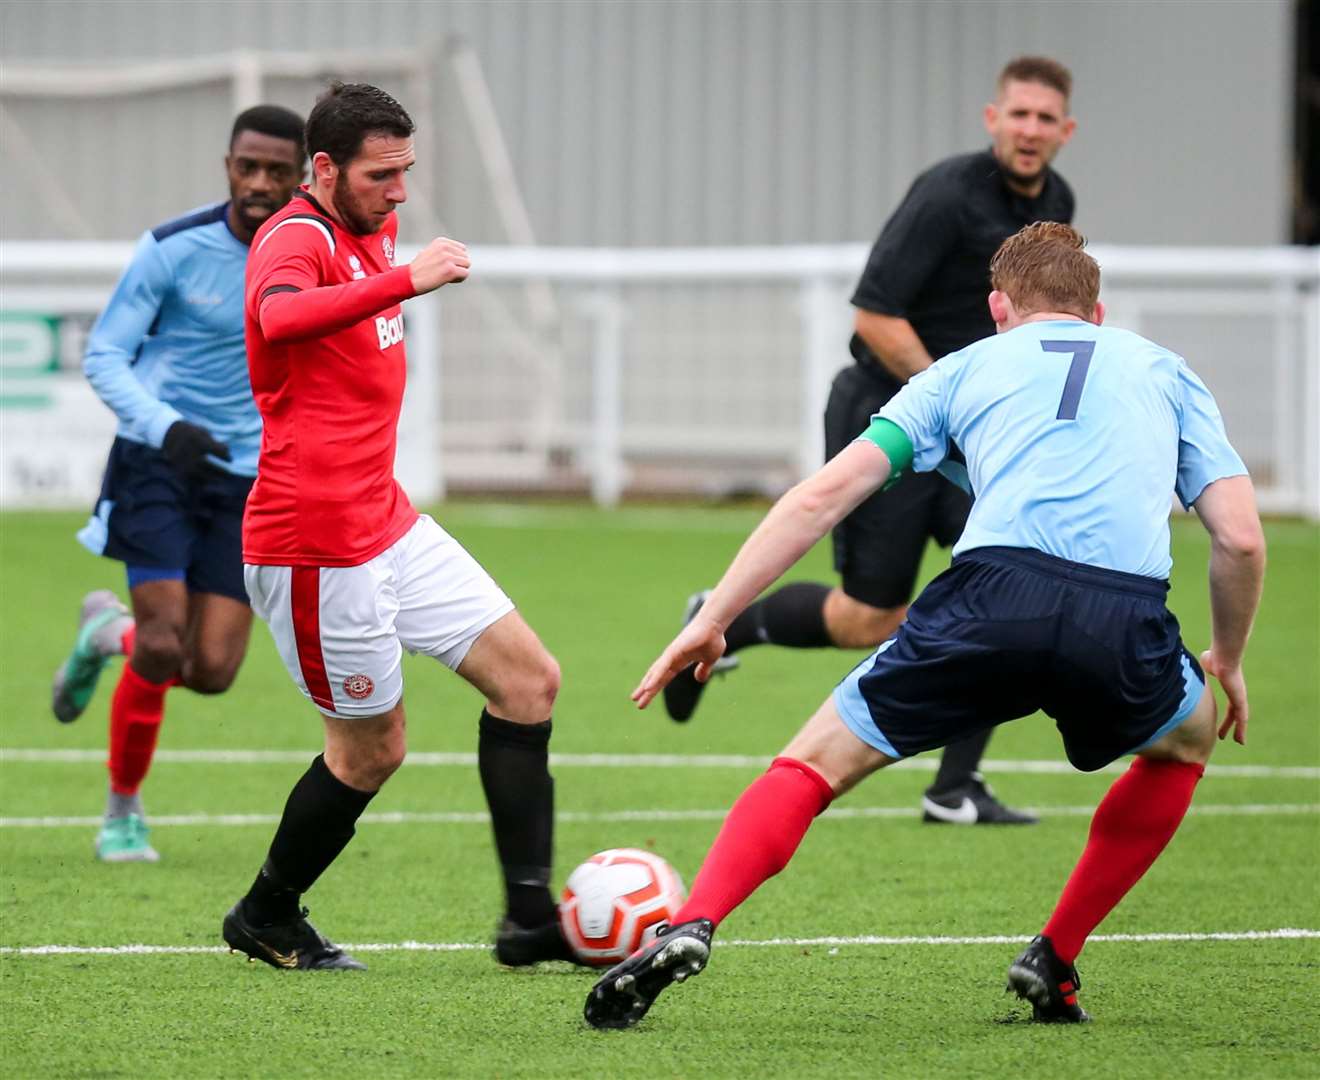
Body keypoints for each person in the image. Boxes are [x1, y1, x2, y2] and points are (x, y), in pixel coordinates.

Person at [584, 222, 1265, 1029]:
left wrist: (717, 617)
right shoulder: (1166, 371)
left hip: (990, 599)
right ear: (1099, 312)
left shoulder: (961, 368)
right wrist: (1225, 656)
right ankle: (1057, 951)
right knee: (1183, 744)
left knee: (810, 766)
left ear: (998, 307)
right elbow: (1241, 538)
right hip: (1121, 617)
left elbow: (821, 498)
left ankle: (692, 921)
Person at [663, 56, 1079, 826]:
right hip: (888, 414)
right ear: (993, 119)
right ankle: (726, 618)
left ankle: (953, 788)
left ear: (1065, 131)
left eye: (1044, 118)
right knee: (870, 616)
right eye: (1017, 114)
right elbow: (874, 316)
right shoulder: (946, 196)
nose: (1029, 130)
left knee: (1014, 577)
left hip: (973, 438)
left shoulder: (1056, 204)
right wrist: (950, 403)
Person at [221, 82, 578, 972]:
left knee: (530, 681)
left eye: (407, 171)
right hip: (315, 545)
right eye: (382, 175)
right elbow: (277, 315)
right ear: (326, 168)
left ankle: (529, 919)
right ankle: (267, 913)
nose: (400, 193)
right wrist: (403, 279)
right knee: (373, 750)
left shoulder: (366, 225)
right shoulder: (295, 235)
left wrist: (388, 261)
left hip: (386, 520)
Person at [51, 105, 308, 862]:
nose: (258, 183)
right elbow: (104, 356)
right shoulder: (172, 248)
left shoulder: (312, 256)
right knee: (163, 646)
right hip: (156, 460)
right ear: (227, 163)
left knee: (213, 671)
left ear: (304, 176)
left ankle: (105, 635)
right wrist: (167, 427)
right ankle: (122, 812)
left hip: (248, 480)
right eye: (245, 166)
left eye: (276, 171)